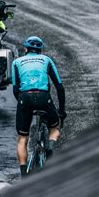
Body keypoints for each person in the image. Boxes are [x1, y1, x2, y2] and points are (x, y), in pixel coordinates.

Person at [11, 36, 67, 178]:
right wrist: (61, 111)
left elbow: (15, 89)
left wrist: (24, 105)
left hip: (25, 98)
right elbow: (59, 87)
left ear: (25, 49)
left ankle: (24, 175)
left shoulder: (16, 62)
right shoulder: (46, 60)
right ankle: (49, 147)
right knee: (54, 129)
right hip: (43, 97)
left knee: (22, 138)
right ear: (40, 50)